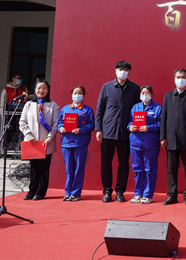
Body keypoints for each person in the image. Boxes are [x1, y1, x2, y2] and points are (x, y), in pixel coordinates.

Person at [95, 60, 140, 203]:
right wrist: (98, 129)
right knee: (105, 162)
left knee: (124, 163)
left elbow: (138, 110)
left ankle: (120, 191)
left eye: (125, 70)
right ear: (115, 70)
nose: (123, 72)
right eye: (120, 69)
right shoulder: (106, 87)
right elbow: (100, 109)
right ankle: (107, 190)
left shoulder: (134, 88)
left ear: (129, 72)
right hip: (108, 131)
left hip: (126, 132)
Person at [160, 68, 186, 206]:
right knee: (171, 169)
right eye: (178, 77)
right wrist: (163, 137)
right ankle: (172, 195)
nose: (180, 79)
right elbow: (164, 118)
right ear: (174, 79)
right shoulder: (168, 96)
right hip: (171, 139)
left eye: (183, 77)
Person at [19, 81, 59, 200]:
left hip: (46, 142)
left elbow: (55, 124)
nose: (41, 91)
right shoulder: (29, 104)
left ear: (48, 90)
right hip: (32, 141)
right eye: (39, 88)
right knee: (33, 167)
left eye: (44, 88)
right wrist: (28, 135)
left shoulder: (53, 105)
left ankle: (40, 192)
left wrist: (49, 138)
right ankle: (32, 190)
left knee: (44, 168)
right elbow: (22, 122)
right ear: (35, 90)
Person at [57, 86, 94, 201]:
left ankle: (76, 193)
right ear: (71, 94)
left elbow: (91, 125)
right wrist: (60, 128)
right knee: (69, 169)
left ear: (83, 95)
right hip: (66, 143)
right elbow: (60, 122)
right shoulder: (65, 109)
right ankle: (67, 192)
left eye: (79, 93)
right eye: (75, 93)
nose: (77, 95)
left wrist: (80, 130)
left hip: (80, 143)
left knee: (78, 169)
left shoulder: (87, 110)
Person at [128, 85, 161, 204]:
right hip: (135, 143)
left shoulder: (157, 108)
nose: (145, 95)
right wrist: (130, 127)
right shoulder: (135, 107)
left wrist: (149, 127)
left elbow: (161, 124)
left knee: (149, 170)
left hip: (150, 144)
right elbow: (130, 121)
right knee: (137, 169)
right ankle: (138, 194)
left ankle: (147, 195)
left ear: (151, 94)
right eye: (143, 93)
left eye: (147, 93)